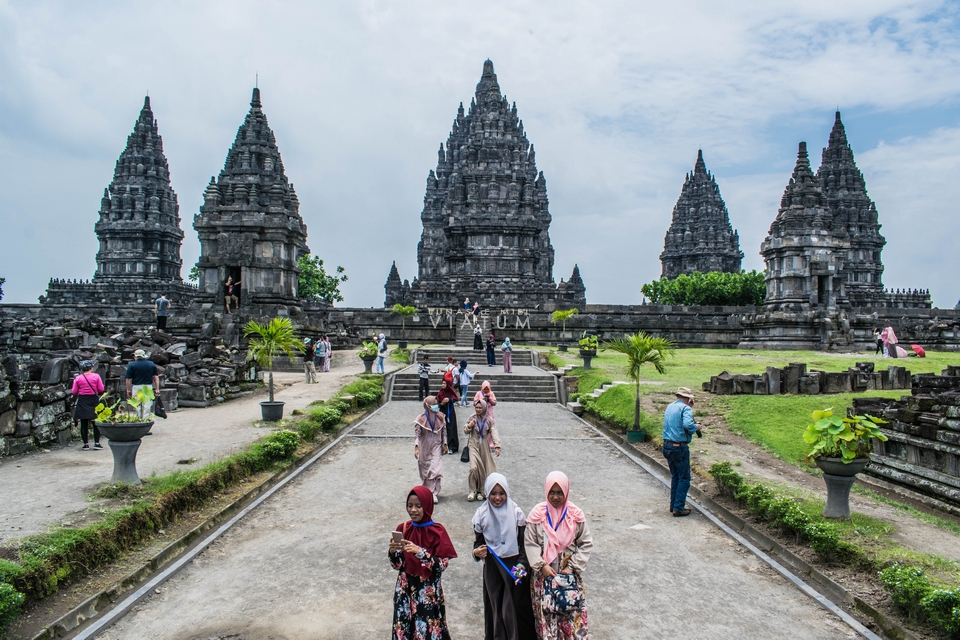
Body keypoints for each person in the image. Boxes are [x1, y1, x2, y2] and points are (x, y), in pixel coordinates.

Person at [525, 471, 593, 640]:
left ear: (566, 491)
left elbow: (585, 543)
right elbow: (530, 543)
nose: (555, 497)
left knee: (571, 618)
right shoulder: (537, 515)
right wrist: (542, 565)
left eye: (560, 492)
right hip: (544, 578)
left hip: (568, 579)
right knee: (547, 619)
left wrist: (572, 566)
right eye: (552, 492)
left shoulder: (575, 515)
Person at [473, 472, 537, 640]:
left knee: (516, 608)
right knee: (496, 607)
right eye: (493, 493)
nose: (498, 498)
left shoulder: (516, 513)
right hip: (493, 567)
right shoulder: (481, 515)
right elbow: (478, 543)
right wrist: (477, 553)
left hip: (515, 566)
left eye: (502, 493)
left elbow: (524, 545)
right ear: (487, 493)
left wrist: (522, 565)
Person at [389, 486, 457, 640]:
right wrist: (393, 553)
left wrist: (420, 552)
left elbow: (442, 565)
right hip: (405, 591)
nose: (413, 510)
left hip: (427, 593)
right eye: (410, 506)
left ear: (427, 506)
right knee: (404, 631)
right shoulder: (404, 528)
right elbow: (398, 565)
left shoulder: (437, 532)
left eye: (418, 506)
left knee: (427, 632)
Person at [661, 387, 701, 517]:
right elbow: (688, 425)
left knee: (676, 476)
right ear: (688, 398)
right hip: (679, 447)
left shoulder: (670, 406)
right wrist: (697, 427)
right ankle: (679, 507)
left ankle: (674, 505)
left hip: (667, 445)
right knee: (684, 477)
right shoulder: (686, 409)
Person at [464, 398, 500, 502]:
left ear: (484, 408)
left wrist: (497, 446)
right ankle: (472, 490)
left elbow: (494, 433)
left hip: (484, 445)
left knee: (483, 469)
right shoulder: (472, 418)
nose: (478, 409)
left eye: (480, 407)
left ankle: (480, 490)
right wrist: (469, 426)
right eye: (476, 407)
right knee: (473, 468)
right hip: (473, 444)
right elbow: (465, 431)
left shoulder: (489, 420)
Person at [415, 397, 448, 503]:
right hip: (424, 446)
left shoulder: (440, 417)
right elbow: (417, 435)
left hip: (437, 446)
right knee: (426, 469)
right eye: (433, 404)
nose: (436, 405)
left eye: (436, 403)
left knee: (435, 468)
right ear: (428, 405)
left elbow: (444, 432)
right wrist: (416, 447)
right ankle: (427, 491)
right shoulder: (420, 418)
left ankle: (434, 493)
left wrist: (445, 444)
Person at [72, 360, 105, 451]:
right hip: (93, 399)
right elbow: (101, 389)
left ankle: (86, 444)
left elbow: (74, 391)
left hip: (83, 400)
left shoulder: (78, 378)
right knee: (95, 422)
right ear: (91, 368)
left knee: (84, 423)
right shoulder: (96, 376)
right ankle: (97, 443)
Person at [125, 349, 159, 420]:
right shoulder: (151, 364)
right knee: (147, 405)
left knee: (137, 405)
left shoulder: (132, 365)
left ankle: (138, 420)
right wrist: (157, 388)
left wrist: (128, 390)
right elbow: (155, 377)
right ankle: (145, 421)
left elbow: (128, 379)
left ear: (136, 356)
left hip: (136, 386)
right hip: (148, 387)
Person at [437, 378, 460, 454]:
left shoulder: (450, 392)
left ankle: (452, 446)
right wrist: (442, 404)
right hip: (442, 412)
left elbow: (455, 399)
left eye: (444, 383)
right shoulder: (440, 393)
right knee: (442, 429)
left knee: (450, 429)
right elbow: (436, 404)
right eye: (442, 383)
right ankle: (442, 446)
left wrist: (449, 400)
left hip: (450, 413)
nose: (443, 385)